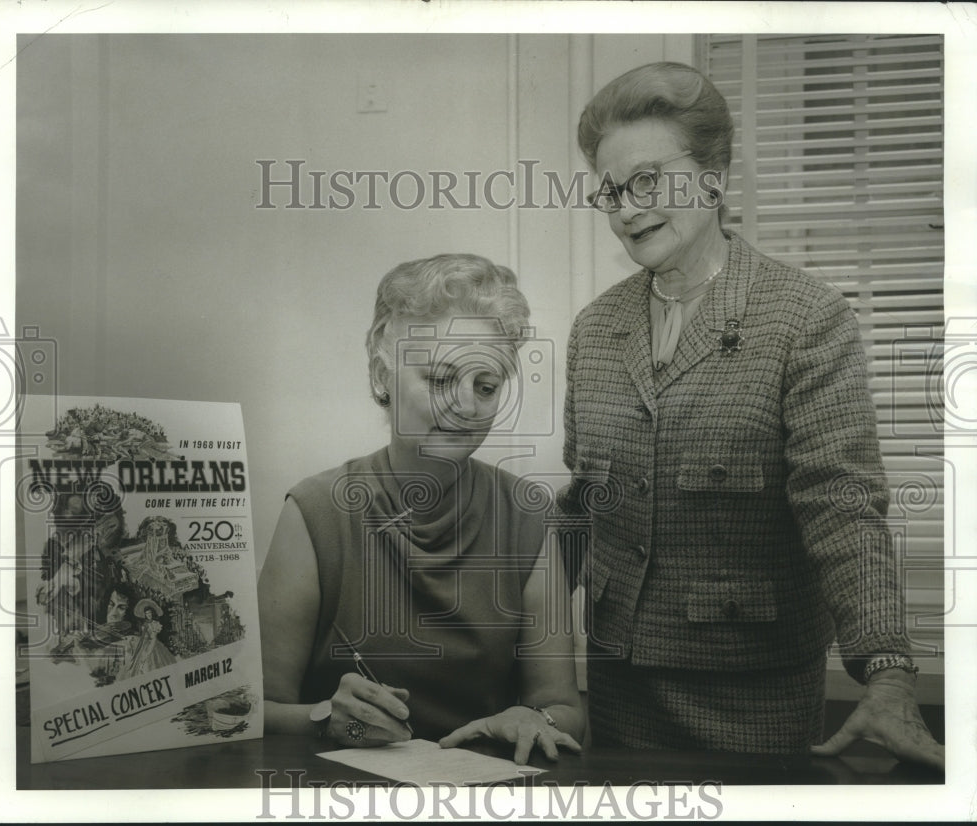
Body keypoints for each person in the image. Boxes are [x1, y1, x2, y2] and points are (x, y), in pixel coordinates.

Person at [563, 61, 943, 769]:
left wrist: (887, 668)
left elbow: (843, 506)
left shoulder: (806, 319)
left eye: (647, 180)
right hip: (617, 690)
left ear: (714, 177)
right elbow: (583, 507)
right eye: (611, 190)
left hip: (755, 698)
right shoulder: (594, 329)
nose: (626, 208)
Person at [258, 253, 583, 764]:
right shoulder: (314, 511)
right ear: (382, 375)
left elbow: (562, 705)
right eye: (438, 380)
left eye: (486, 386)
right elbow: (254, 709)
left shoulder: (528, 516)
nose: (466, 405)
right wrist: (322, 716)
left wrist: (531, 719)